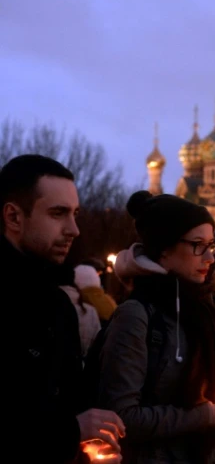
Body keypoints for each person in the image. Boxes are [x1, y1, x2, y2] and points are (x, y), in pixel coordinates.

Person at [99, 191, 215, 463]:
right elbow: (122, 418)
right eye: (197, 245)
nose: (210, 258)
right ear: (164, 248)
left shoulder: (200, 308)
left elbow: (186, 390)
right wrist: (209, 415)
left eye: (212, 245)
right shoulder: (137, 315)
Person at [2, 154, 125, 463]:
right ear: (14, 217)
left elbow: (72, 404)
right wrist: (70, 432)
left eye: (76, 214)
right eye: (58, 213)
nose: (74, 229)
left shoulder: (59, 305)